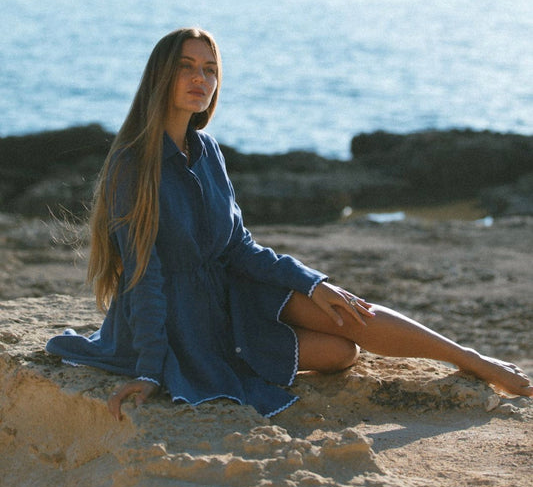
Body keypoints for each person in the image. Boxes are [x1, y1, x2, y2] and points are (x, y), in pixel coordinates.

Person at [46, 27, 533, 420]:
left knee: (347, 315)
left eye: (210, 69)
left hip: (231, 292)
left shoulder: (208, 149)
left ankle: (474, 361)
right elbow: (143, 275)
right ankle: (230, 357)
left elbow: (239, 247)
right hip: (178, 323)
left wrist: (311, 282)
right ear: (161, 78)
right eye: (187, 67)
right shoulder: (132, 164)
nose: (201, 79)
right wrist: (151, 370)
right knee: (339, 355)